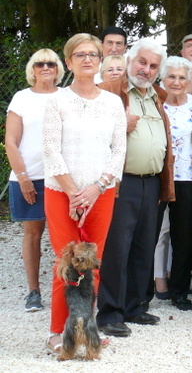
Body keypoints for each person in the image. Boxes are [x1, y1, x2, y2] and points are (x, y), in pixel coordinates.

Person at [43, 34, 127, 355]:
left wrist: (97, 186)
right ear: (69, 62)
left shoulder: (112, 103)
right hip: (61, 192)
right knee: (66, 263)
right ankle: (58, 331)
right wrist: (73, 192)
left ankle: (86, 330)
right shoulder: (57, 101)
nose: (88, 59)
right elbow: (51, 150)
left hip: (100, 194)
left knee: (91, 264)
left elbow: (118, 149)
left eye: (93, 54)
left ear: (101, 60)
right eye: (80, 55)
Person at [96, 38, 173, 338]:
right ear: (129, 60)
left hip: (152, 181)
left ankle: (135, 306)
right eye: (142, 62)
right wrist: (117, 126)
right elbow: (90, 136)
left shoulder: (157, 96)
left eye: (153, 66)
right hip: (121, 182)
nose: (147, 69)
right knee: (117, 248)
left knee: (143, 245)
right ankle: (110, 313)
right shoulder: (110, 92)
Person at [5, 48, 63, 312]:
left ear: (59, 68)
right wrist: (23, 177)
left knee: (63, 237)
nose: (46, 67)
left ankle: (66, 291)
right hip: (29, 177)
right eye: (40, 63)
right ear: (32, 69)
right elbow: (11, 142)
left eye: (51, 63)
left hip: (61, 178)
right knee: (33, 234)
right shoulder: (22, 98)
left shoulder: (67, 97)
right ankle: (33, 292)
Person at [153, 56, 192, 312]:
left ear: (189, 80)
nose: (177, 82)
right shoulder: (155, 103)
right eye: (171, 76)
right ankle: (145, 288)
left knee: (183, 236)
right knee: (154, 233)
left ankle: (180, 290)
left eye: (182, 77)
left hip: (188, 178)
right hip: (158, 177)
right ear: (163, 79)